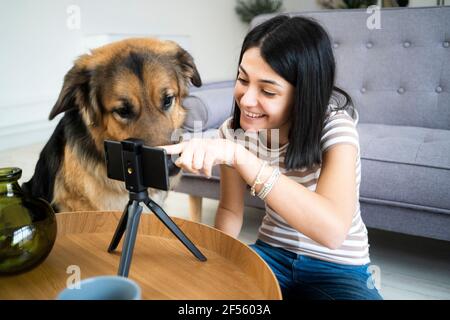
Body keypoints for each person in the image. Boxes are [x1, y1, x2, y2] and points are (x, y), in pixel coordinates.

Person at [160, 15, 382, 300]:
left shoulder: (336, 128)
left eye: (267, 90)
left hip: (339, 268)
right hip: (271, 254)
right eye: (242, 79)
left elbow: (332, 231)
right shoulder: (235, 131)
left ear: (303, 94)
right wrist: (216, 262)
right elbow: (230, 210)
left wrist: (240, 157)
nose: (247, 100)